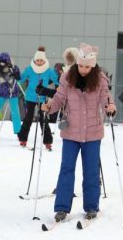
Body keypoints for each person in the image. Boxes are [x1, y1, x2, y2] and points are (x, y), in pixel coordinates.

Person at [41, 43, 116, 222]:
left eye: (87, 67)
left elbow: (107, 99)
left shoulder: (100, 80)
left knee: (91, 171)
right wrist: (50, 106)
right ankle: (61, 208)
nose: (83, 69)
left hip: (93, 133)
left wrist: (110, 107)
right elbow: (59, 98)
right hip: (71, 132)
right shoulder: (67, 78)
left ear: (93, 66)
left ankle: (91, 206)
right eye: (81, 65)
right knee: (66, 169)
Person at [18, 47, 59, 150]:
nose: (39, 62)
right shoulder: (30, 69)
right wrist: (16, 77)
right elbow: (21, 79)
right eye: (37, 60)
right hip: (30, 97)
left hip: (42, 98)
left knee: (43, 119)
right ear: (35, 60)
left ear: (44, 60)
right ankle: (23, 138)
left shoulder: (48, 70)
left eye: (41, 60)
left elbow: (57, 80)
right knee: (28, 118)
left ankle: (48, 141)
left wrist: (59, 85)